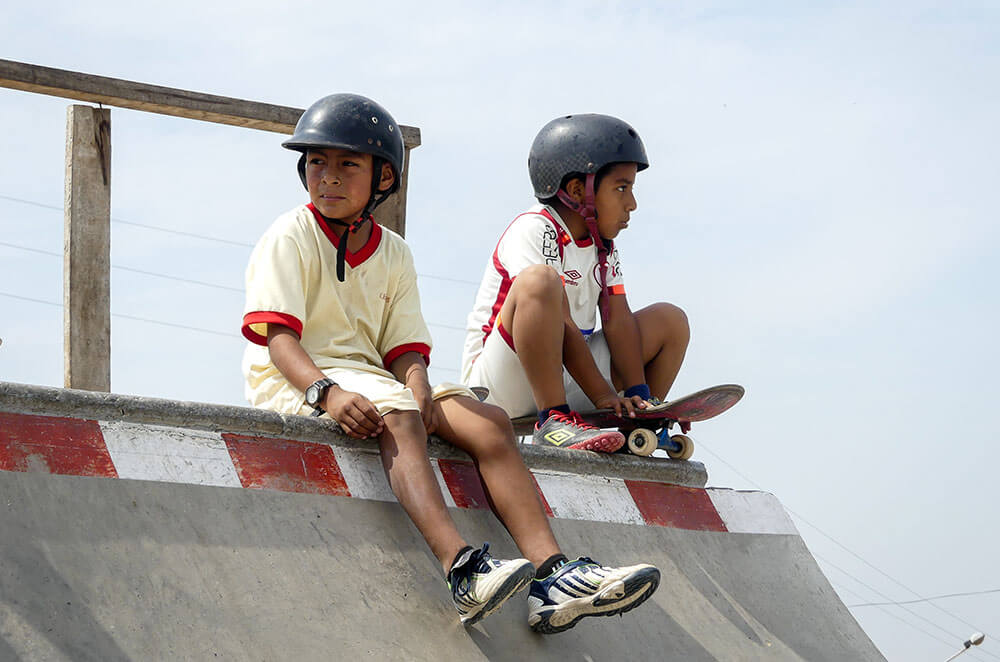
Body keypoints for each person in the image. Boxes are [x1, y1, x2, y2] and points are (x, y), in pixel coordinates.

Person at [241, 94, 660, 632]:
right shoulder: (289, 234)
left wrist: (417, 383)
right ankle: (460, 568)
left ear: (383, 178)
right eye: (317, 163)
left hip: (373, 378)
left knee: (483, 422)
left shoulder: (393, 252)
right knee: (399, 414)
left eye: (348, 164)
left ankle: (551, 576)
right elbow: (278, 341)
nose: (329, 177)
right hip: (300, 378)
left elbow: (404, 350)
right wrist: (327, 393)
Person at [461, 114, 691, 453]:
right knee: (540, 282)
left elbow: (618, 320)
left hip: (569, 374)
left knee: (670, 320)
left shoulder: (603, 246)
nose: (632, 204)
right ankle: (553, 421)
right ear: (575, 190)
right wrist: (603, 394)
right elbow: (563, 323)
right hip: (500, 386)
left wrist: (638, 395)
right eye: (622, 188)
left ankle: (639, 424)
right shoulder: (534, 228)